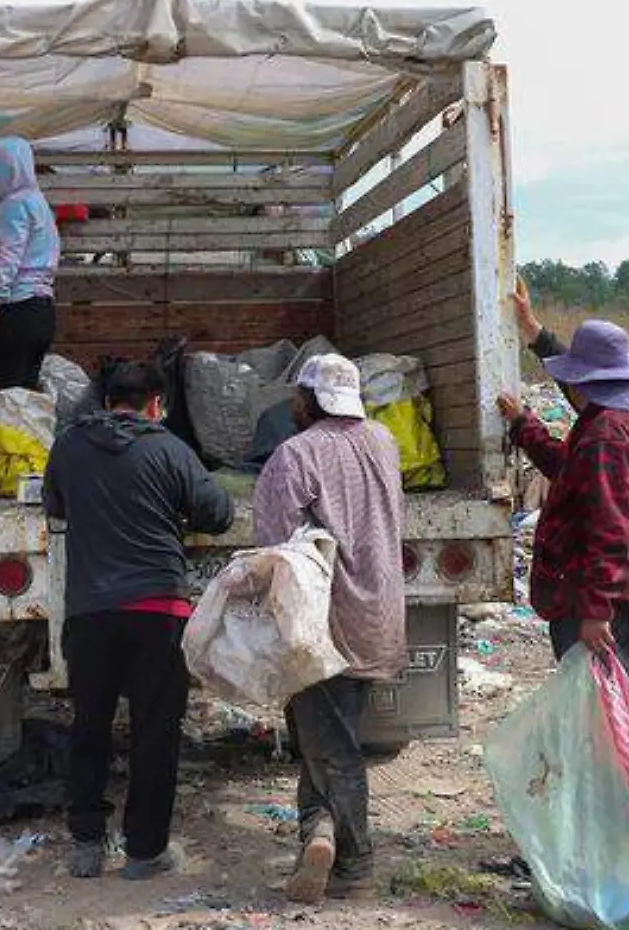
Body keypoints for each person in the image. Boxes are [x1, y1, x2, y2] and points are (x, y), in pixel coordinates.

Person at [42, 360, 234, 881]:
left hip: (91, 613)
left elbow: (53, 505)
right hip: (158, 611)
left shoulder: (69, 446)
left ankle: (86, 845)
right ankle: (144, 852)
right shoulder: (170, 449)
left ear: (107, 401)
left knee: (89, 727)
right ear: (155, 405)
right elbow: (218, 512)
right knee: (154, 732)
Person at [253, 354, 406, 904]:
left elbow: (272, 545)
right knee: (324, 737)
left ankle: (355, 864)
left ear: (307, 401)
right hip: (378, 615)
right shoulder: (384, 442)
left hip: (322, 623)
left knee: (332, 747)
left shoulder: (294, 455)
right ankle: (316, 838)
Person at [498, 317, 629, 685]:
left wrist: (596, 609)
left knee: (602, 711)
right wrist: (523, 427)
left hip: (604, 601)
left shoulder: (608, 434)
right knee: (610, 708)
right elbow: (569, 470)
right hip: (621, 593)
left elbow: (612, 527)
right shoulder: (627, 422)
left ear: (580, 381)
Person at [0, 136, 60, 396]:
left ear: (5, 169)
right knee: (25, 398)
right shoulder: (39, 204)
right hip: (42, 309)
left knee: (3, 397)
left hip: (18, 308)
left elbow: (8, 254)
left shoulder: (14, 205)